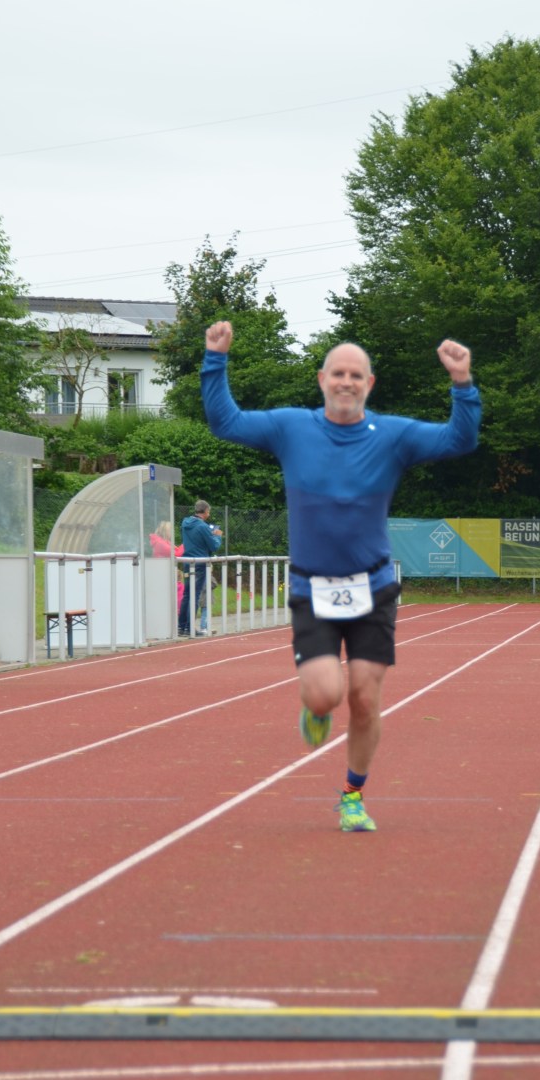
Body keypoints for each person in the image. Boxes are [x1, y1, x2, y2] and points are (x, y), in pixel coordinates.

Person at [201, 321, 481, 833]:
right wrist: (215, 359)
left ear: (369, 384)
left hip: (373, 587)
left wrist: (462, 383)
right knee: (325, 694)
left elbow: (459, 440)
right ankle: (315, 710)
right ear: (322, 380)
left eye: (356, 375)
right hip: (312, 587)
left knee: (366, 699)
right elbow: (226, 422)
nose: (346, 382)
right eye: (338, 373)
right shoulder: (291, 428)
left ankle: (353, 794)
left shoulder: (393, 436)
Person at [177, 499, 223, 637]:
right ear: (206, 511)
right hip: (200, 562)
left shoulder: (185, 522)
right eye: (209, 512)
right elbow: (214, 546)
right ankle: (190, 627)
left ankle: (181, 627)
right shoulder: (203, 526)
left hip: (187, 562)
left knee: (187, 594)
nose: (209, 514)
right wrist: (217, 536)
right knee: (195, 595)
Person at [150, 518, 186, 614]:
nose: (172, 532)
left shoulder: (165, 542)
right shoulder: (159, 543)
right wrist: (186, 543)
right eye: (171, 530)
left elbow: (176, 550)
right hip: (161, 574)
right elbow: (176, 554)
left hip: (165, 573)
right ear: (166, 531)